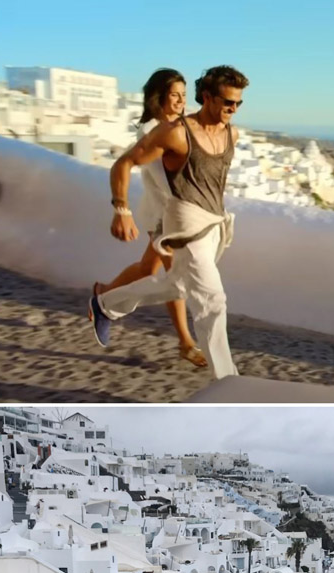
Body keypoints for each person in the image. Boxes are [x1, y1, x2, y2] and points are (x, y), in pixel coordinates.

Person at [90, 65, 249, 379]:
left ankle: (105, 304)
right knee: (212, 302)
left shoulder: (232, 133)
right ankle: (227, 383)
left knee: (175, 285)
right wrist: (121, 210)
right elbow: (124, 164)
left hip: (215, 227)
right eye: (228, 102)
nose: (233, 109)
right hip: (183, 227)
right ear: (207, 97)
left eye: (238, 103)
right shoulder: (175, 132)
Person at [92, 69, 208, 368]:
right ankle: (185, 341)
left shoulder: (176, 125)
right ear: (159, 96)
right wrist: (122, 211)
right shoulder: (151, 131)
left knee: (147, 269)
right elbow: (147, 175)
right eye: (174, 95)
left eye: (184, 95)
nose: (181, 101)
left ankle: (103, 294)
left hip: (169, 215)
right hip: (164, 218)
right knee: (177, 281)